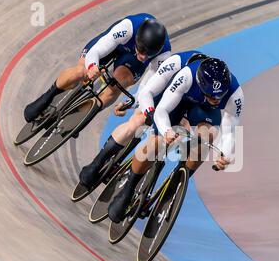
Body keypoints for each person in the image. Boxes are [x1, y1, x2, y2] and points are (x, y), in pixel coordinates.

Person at [107, 57, 245, 223]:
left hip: (203, 110)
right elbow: (162, 110)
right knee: (156, 144)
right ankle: (128, 190)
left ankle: (179, 180)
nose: (217, 100)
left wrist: (223, 154)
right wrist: (166, 131)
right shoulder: (186, 76)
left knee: (207, 137)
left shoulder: (235, 95)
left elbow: (229, 132)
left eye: (220, 96)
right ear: (201, 85)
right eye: (211, 96)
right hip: (179, 101)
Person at [78, 50, 208, 187]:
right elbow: (145, 91)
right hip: (163, 93)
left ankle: (146, 162)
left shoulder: (206, 84)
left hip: (188, 103)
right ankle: (96, 164)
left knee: (177, 132)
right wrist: (133, 103)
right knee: (138, 121)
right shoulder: (172, 63)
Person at [23, 13, 171, 124]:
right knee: (81, 71)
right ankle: (48, 96)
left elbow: (147, 87)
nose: (144, 56)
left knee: (117, 85)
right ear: (137, 40)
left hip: (130, 60)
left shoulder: (164, 55)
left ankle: (78, 119)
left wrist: (130, 103)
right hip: (116, 45)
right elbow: (97, 51)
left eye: (148, 54)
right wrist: (93, 66)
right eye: (141, 50)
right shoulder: (128, 27)